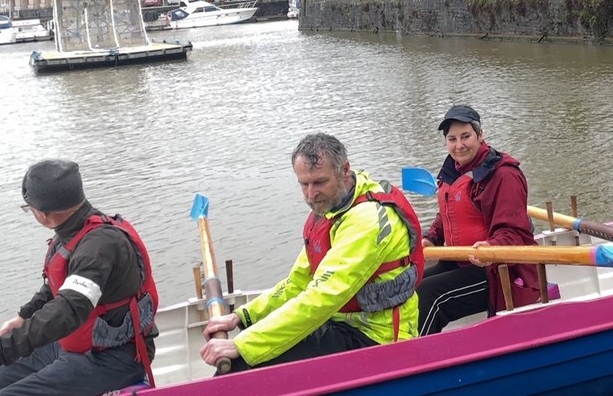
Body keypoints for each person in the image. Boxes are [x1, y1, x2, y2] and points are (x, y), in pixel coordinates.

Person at [200, 133, 422, 370]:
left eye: (319, 182)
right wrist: (243, 317)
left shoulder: (366, 220)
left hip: (378, 338)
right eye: (303, 184)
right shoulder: (330, 208)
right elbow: (298, 283)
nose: (310, 194)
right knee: (248, 356)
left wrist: (243, 344)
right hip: (340, 321)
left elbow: (322, 296)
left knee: (241, 363)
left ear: (344, 170)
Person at [0, 160, 159, 396]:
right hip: (73, 346)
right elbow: (57, 288)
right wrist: (24, 316)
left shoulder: (99, 247)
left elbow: (70, 308)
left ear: (42, 213)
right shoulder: (73, 230)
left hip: (115, 357)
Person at [417, 105, 541, 335]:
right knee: (410, 285)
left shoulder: (504, 175)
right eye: (452, 139)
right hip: (462, 260)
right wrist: (431, 237)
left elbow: (515, 233)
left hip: (498, 270)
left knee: (428, 295)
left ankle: (415, 364)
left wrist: (491, 248)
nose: (459, 145)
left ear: (480, 135)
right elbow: (450, 214)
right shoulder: (453, 170)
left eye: (466, 136)